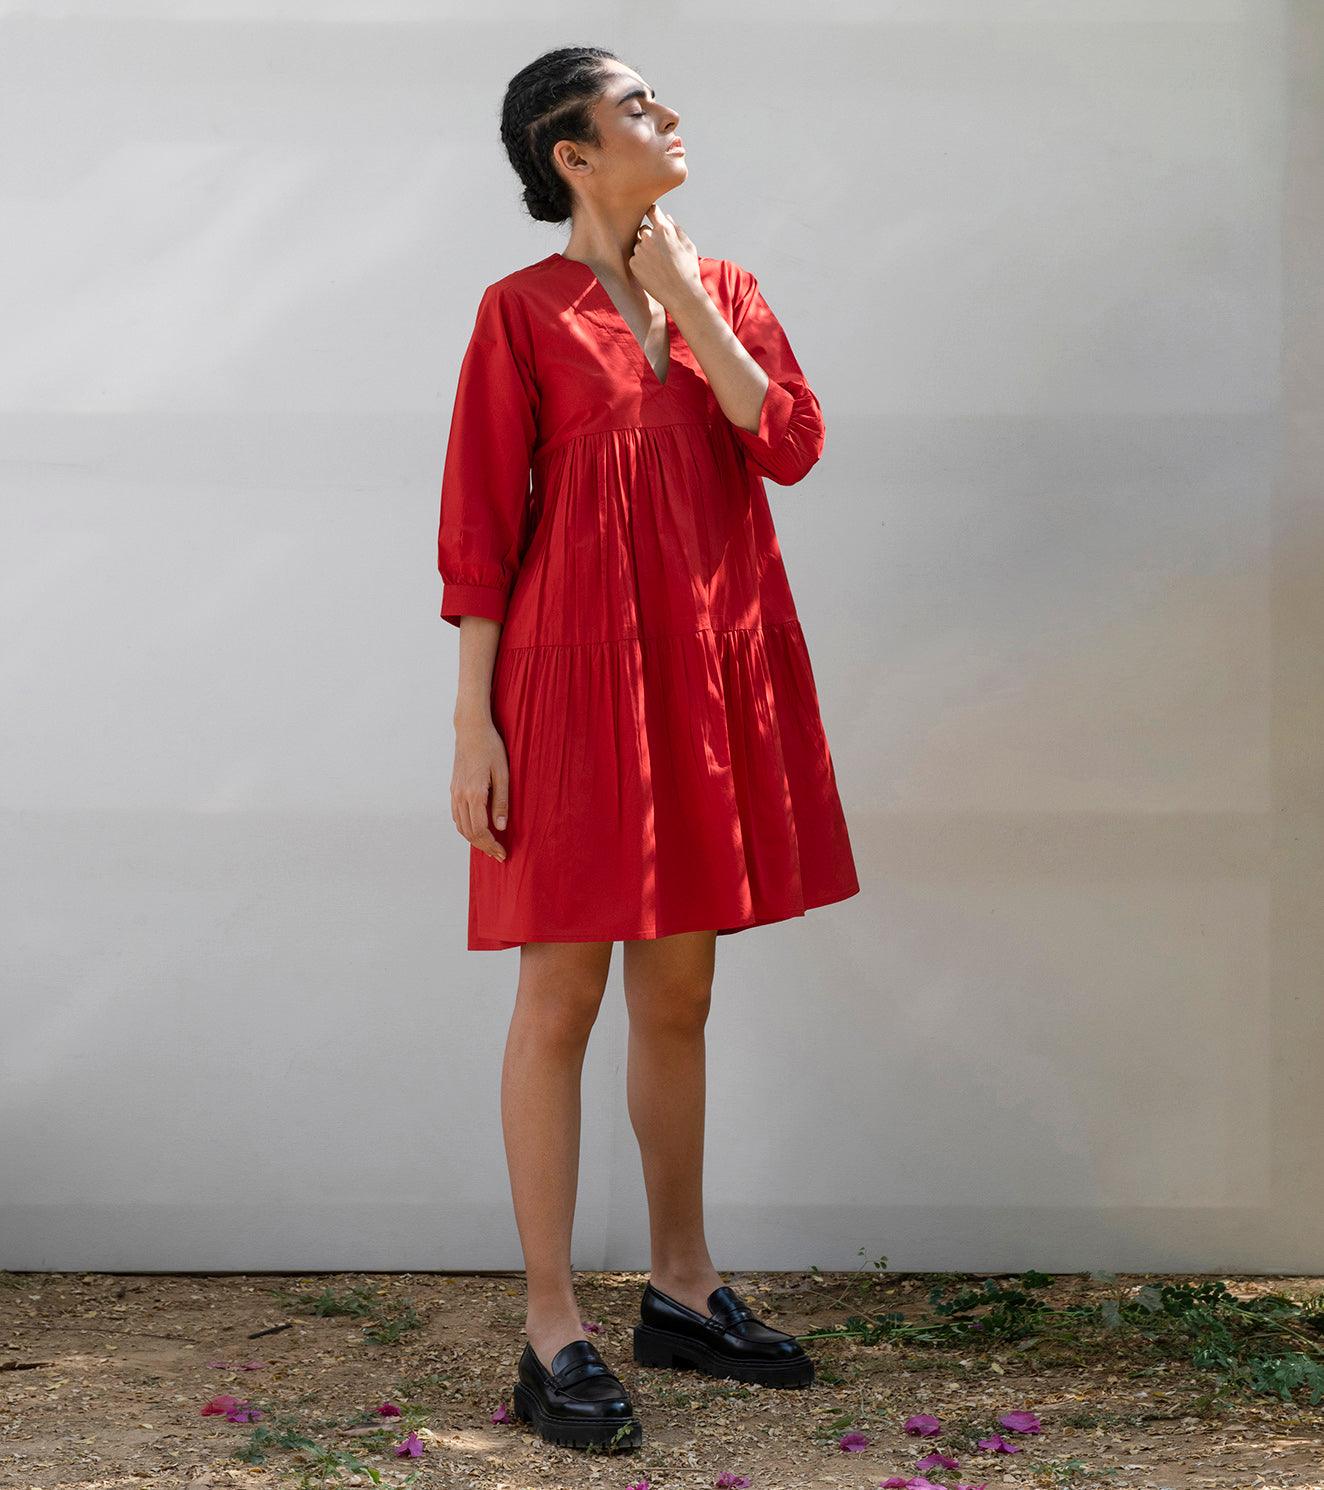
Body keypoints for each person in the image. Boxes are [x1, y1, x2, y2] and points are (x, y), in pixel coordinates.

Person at [437, 46, 861, 1451]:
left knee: (679, 991)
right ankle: (550, 1325)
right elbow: (481, 528)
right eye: (636, 107)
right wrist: (473, 727)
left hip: (700, 684)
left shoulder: (722, 288)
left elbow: (787, 443)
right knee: (560, 993)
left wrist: (684, 297)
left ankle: (682, 1288)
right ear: (572, 154)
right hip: (566, 691)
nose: (668, 117)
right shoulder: (519, 313)